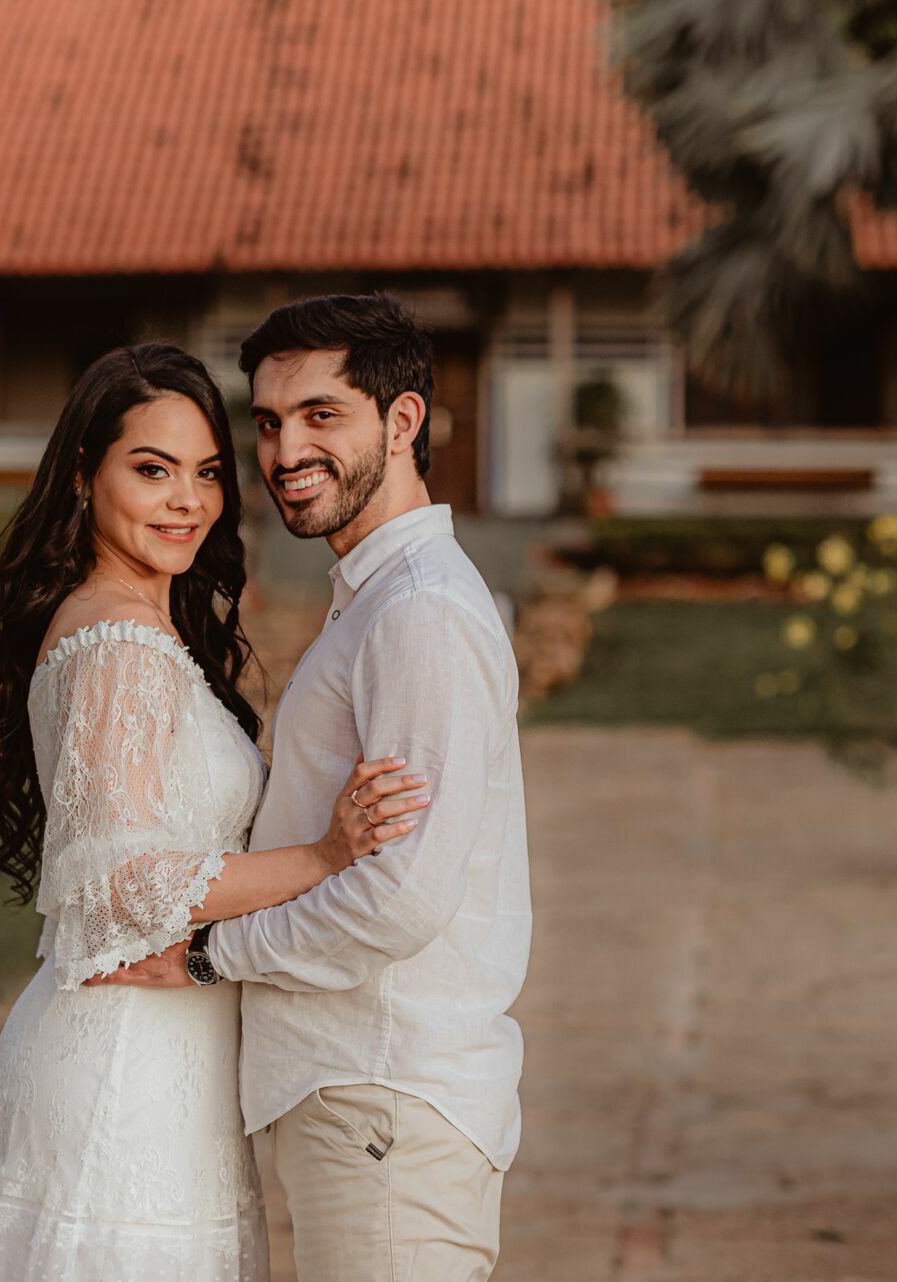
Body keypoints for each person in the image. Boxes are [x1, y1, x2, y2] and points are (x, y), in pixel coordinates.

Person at [0, 342, 430, 1281]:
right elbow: (122, 886)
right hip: (125, 1066)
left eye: (206, 473)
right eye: (152, 470)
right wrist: (324, 855)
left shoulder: (140, 626)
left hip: (174, 1057)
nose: (187, 501)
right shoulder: (117, 643)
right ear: (83, 477)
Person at [93, 294, 531, 1282]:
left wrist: (208, 956)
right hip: (357, 1099)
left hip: (386, 1096)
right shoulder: (372, 602)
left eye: (321, 415)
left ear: (403, 420)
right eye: (269, 421)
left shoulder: (420, 613)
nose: (287, 451)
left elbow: (402, 896)